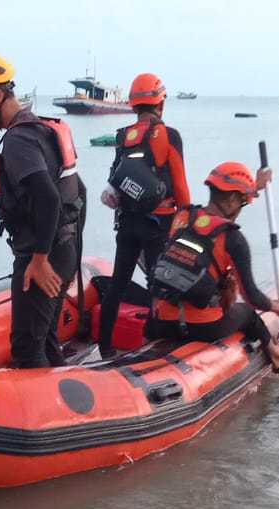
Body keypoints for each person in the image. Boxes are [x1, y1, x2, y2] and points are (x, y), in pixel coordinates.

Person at [0, 51, 86, 369]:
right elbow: (78, 193)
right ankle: (62, 403)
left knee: (27, 348)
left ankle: (49, 415)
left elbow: (48, 198)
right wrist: (68, 249)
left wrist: (41, 259)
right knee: (45, 340)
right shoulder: (42, 130)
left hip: (42, 256)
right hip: (63, 246)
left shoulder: (18, 142)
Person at [144, 161, 279, 368]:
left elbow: (207, 228)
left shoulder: (182, 216)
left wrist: (253, 188)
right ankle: (277, 355)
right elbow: (252, 297)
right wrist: (278, 307)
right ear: (232, 198)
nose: (241, 209)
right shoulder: (233, 239)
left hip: (160, 323)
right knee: (248, 314)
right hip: (203, 327)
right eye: (242, 203)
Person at [96, 72, 192, 356]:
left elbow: (115, 179)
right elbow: (181, 186)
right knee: (157, 284)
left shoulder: (123, 137)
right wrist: (186, 226)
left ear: (133, 105)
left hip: (127, 222)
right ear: (160, 103)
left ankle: (104, 347)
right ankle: (155, 344)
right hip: (158, 223)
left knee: (118, 283)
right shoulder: (169, 136)